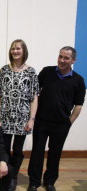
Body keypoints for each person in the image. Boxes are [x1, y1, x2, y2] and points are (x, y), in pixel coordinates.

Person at [27, 46, 86, 191]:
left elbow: (78, 105)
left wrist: (69, 123)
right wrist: (32, 117)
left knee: (55, 154)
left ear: (73, 60)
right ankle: (34, 182)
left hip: (61, 124)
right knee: (37, 152)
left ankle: (50, 182)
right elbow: (34, 94)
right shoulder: (47, 72)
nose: (62, 60)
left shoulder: (78, 80)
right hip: (41, 121)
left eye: (66, 58)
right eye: (60, 56)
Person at [0, 39, 39, 191]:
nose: (15, 51)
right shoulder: (4, 70)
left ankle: (13, 177)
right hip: (5, 117)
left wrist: (31, 119)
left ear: (24, 51)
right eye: (13, 48)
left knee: (18, 149)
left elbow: (34, 97)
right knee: (5, 148)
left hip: (22, 117)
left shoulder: (31, 71)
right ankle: (6, 178)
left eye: (18, 49)